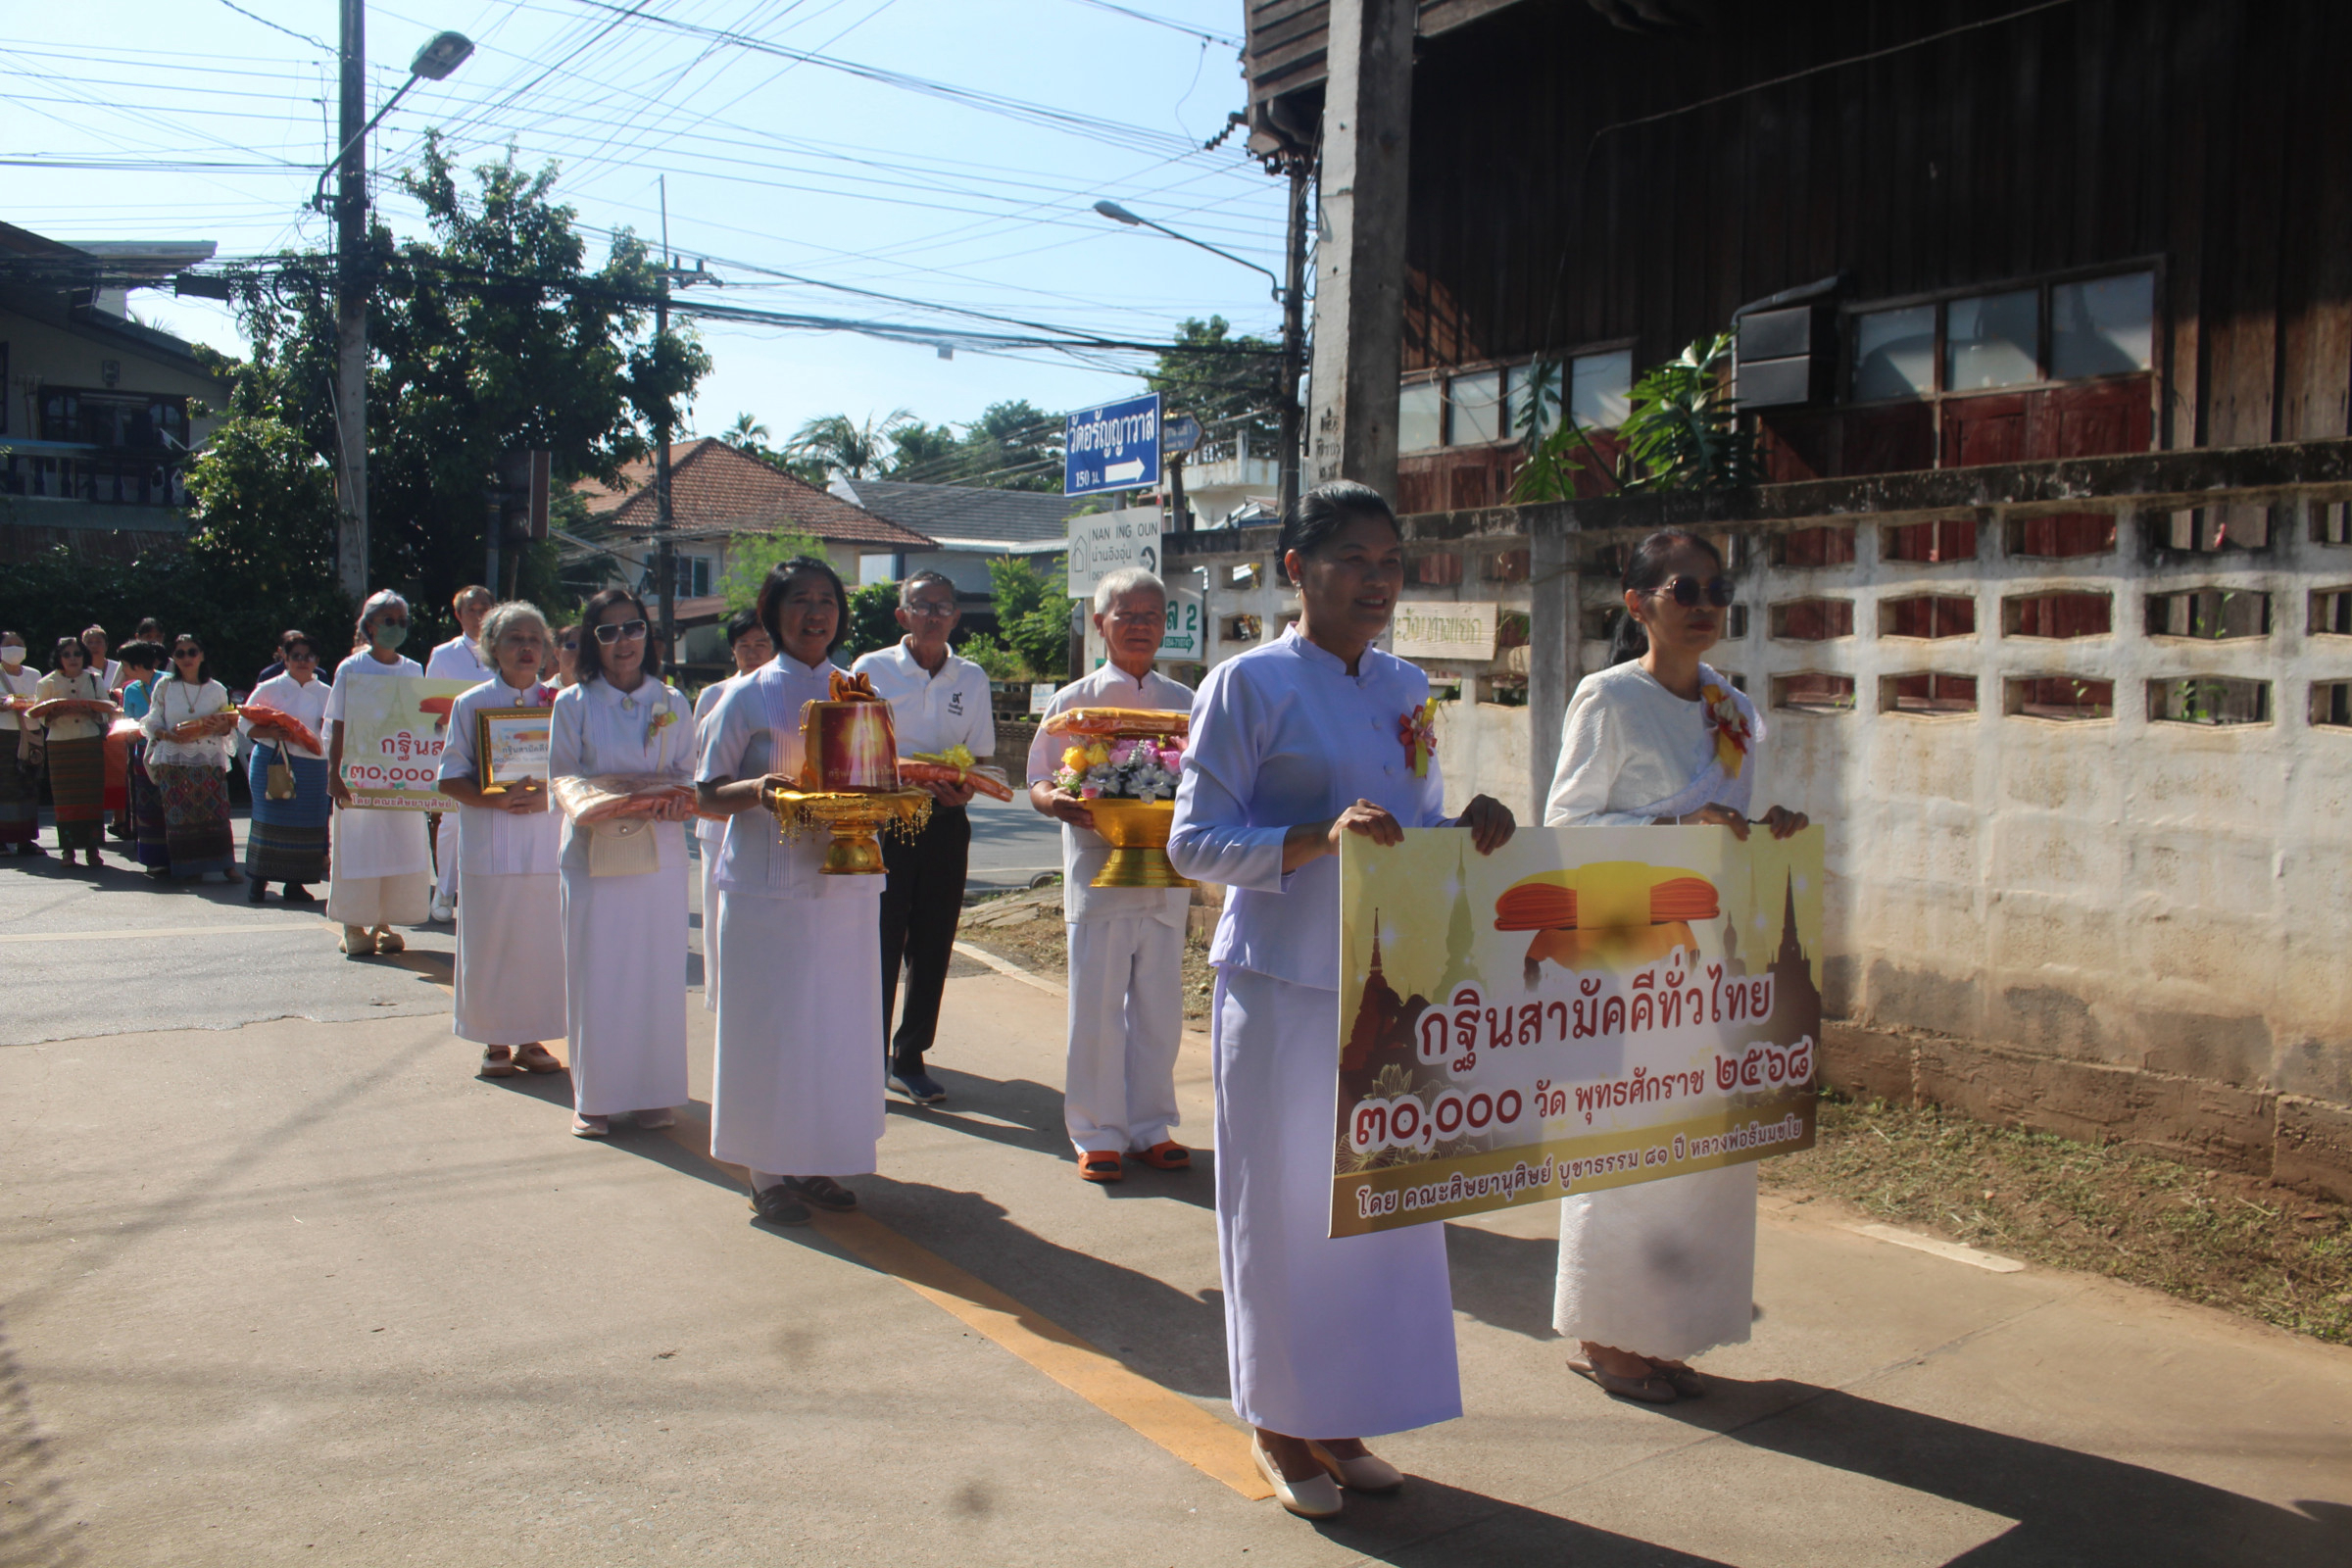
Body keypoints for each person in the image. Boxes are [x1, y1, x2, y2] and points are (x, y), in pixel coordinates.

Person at [1167, 481, 1516, 1519]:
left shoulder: (1410, 685)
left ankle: (1342, 1413)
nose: (1377, 579)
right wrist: (1316, 837)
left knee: (1373, 1211)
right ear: (1296, 570)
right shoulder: (1247, 684)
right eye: (1354, 559)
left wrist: (1469, 829)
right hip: (1280, 983)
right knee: (1280, 1212)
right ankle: (1278, 1419)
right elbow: (1194, 841)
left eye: (1390, 561)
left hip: (1387, 979)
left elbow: (1411, 826)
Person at [1544, 528, 1809, 1406]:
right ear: (1638, 604)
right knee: (1623, 1140)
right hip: (1627, 950)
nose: (1702, 605)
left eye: (1715, 589)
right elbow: (1567, 827)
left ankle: (1664, 1332)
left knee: (1702, 1149)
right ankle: (1605, 1333)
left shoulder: (1731, 707)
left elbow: (1724, 822)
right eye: (1682, 589)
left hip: (1711, 962)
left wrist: (1761, 835)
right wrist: (1669, 835)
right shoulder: (1607, 698)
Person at [697, 558, 884, 1226]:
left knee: (832, 1027)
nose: (815, 613)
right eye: (800, 600)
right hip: (764, 887)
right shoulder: (745, 696)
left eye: (827, 600)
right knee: (767, 1026)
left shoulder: (856, 691)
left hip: (845, 885)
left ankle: (815, 1157)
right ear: (772, 614)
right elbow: (704, 793)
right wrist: (759, 791)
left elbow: (876, 777)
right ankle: (765, 1169)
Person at [1026, 566, 1194, 1184]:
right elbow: (1039, 776)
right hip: (1097, 870)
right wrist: (1055, 803)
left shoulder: (1186, 702)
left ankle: (1152, 1125)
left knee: (1159, 1005)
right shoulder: (1074, 700)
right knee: (1096, 1004)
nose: (1143, 625)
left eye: (1154, 614)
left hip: (1165, 874)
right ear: (1101, 624)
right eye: (1128, 614)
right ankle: (1096, 1131)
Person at [549, 588, 694, 1137]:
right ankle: (597, 1098)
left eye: (632, 628)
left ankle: (654, 1092)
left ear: (647, 635)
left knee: (656, 973)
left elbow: (688, 770)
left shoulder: (673, 701)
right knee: (598, 974)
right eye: (607, 633)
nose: (622, 642)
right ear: (592, 642)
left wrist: (665, 792)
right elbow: (563, 777)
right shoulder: (573, 702)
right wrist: (611, 794)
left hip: (660, 854)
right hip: (592, 856)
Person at [850, 570, 995, 1105]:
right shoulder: (871, 669)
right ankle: (866, 1055)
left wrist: (965, 787)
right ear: (902, 615)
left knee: (934, 940)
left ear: (956, 616)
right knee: (881, 937)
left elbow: (980, 757)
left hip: (945, 820)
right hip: (886, 817)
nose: (934, 615)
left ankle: (910, 1054)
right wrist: (908, 773)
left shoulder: (971, 677)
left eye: (944, 606)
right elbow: (854, 750)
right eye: (922, 605)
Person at [438, 601, 565, 1080]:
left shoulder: (561, 704)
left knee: (538, 947)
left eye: (535, 637)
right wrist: (494, 800)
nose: (527, 646)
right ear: (492, 647)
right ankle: (494, 1041)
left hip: (544, 846)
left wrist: (547, 795)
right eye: (514, 637)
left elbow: (576, 773)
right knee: (491, 946)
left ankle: (532, 1039)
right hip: (489, 847)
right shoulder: (470, 703)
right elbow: (448, 778)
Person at [326, 592, 431, 956]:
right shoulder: (350, 668)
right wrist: (334, 772)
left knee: (398, 847)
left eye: (402, 622)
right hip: (358, 778)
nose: (397, 628)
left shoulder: (413, 670)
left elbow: (422, 730)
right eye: (389, 621)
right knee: (358, 847)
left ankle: (384, 923)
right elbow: (338, 724)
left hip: (401, 779)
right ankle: (353, 923)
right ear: (370, 625)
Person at [692, 608, 775, 1014]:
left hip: (767, 822)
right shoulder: (717, 694)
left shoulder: (780, 690)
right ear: (733, 651)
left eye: (762, 644)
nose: (755, 652)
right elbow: (701, 761)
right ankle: (720, 998)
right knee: (718, 915)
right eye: (745, 646)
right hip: (719, 820)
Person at [239, 630, 332, 903]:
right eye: (296, 656)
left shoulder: (327, 692)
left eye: (309, 656)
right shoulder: (270, 687)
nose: (303, 661)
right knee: (268, 822)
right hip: (273, 760)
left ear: (317, 660)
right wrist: (269, 733)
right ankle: (258, 881)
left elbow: (337, 728)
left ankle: (295, 884)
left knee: (308, 824)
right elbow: (243, 721)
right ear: (286, 659)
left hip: (313, 765)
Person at [138, 635, 239, 881]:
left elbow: (229, 725)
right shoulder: (165, 686)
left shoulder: (216, 689)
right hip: (174, 759)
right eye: (180, 653)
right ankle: (188, 867)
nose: (186, 658)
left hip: (207, 757)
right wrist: (169, 735)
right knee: (179, 815)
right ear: (173, 658)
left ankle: (226, 866)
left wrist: (219, 726)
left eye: (192, 652)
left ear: (201, 655)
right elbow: (152, 721)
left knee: (216, 814)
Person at [426, 587, 498, 924]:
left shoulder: (505, 649)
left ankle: (483, 891)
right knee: (451, 823)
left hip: (501, 748)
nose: (480, 613)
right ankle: (444, 889)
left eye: (486, 607)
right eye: (473, 608)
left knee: (496, 819)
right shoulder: (444, 655)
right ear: (459, 614)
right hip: (460, 748)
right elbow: (429, 707)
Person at [33, 635, 118, 868]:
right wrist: (55, 712)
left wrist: (91, 711)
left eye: (77, 654)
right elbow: (40, 717)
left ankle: (92, 850)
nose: (72, 659)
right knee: (65, 799)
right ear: (59, 658)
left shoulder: (93, 678)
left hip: (88, 742)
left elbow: (106, 709)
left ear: (84, 656)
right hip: (61, 744)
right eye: (67, 655)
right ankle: (68, 851)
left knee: (90, 796)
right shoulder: (47, 682)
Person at [0, 632, 43, 857]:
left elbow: (43, 699)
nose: (15, 648)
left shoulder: (34, 674)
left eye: (19, 644)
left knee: (28, 783)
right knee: (4, 786)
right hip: (3, 734)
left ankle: (25, 838)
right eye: (8, 645)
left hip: (30, 732)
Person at [81, 624, 122, 691]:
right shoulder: (78, 671)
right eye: (89, 642)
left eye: (98, 642)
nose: (94, 646)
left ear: (106, 646)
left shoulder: (118, 668)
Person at [552, 624, 581, 688]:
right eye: (571, 646)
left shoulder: (602, 693)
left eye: (585, 646)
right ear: (557, 653)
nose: (579, 652)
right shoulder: (542, 692)